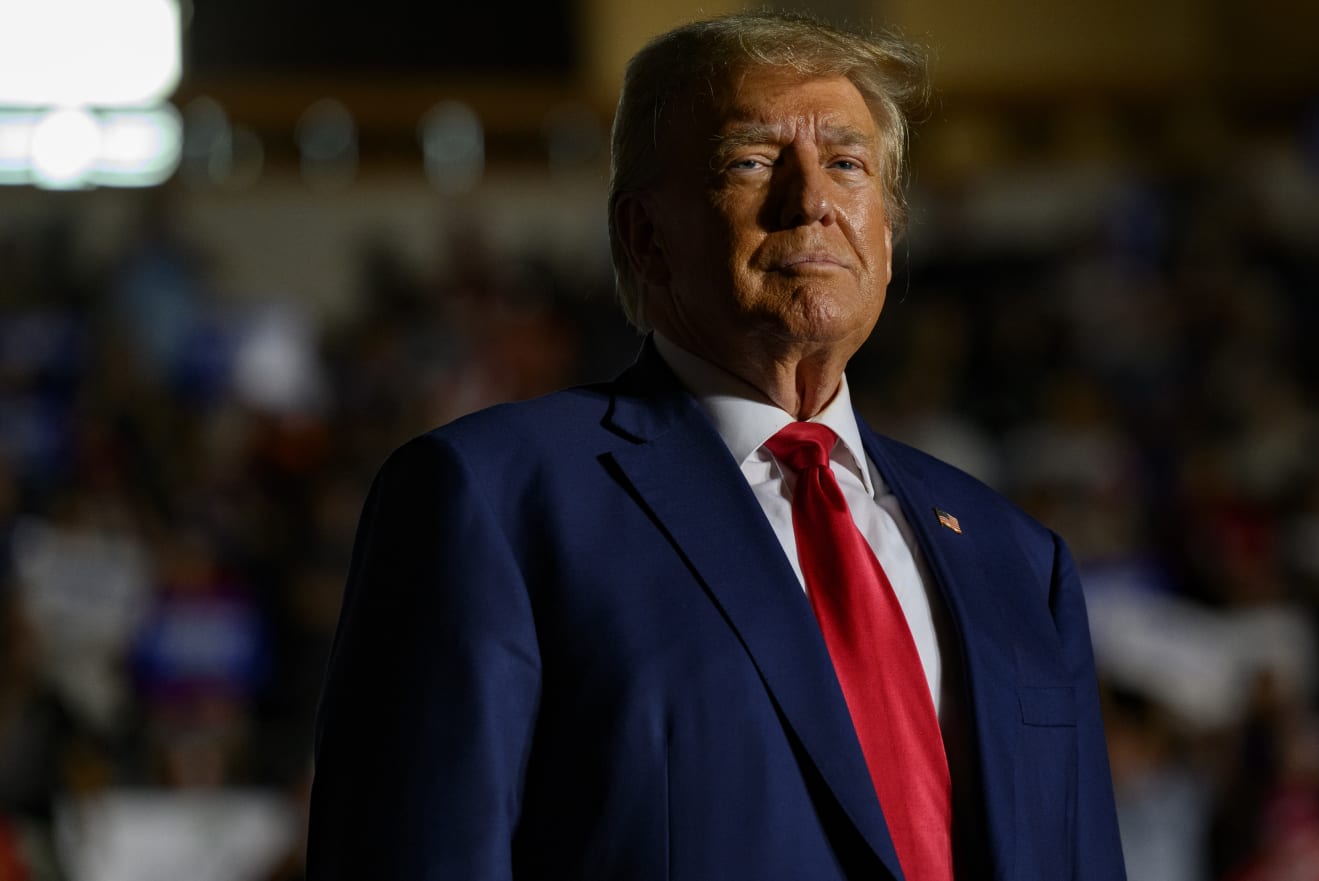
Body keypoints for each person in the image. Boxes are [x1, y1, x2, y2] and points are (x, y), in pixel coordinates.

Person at [307, 11, 1124, 881]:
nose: (811, 198)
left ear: (886, 238)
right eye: (752, 161)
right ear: (644, 235)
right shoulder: (493, 500)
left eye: (846, 165)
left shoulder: (1017, 558)